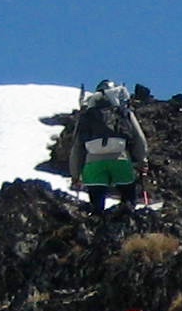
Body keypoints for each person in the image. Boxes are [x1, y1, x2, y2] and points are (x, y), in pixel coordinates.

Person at [41, 82, 152, 214]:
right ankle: (128, 226)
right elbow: (139, 138)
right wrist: (142, 160)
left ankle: (97, 227)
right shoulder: (123, 111)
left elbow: (77, 147)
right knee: (128, 202)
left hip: (93, 164)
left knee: (96, 207)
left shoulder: (87, 115)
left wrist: (75, 175)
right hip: (120, 160)